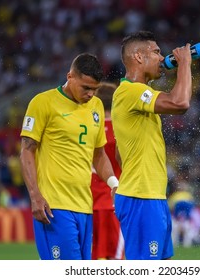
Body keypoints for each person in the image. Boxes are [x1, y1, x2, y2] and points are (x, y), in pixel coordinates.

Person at [19, 53, 119, 260]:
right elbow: (27, 150)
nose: (91, 94)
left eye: (95, 89)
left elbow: (98, 154)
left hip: (85, 206)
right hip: (54, 206)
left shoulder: (97, 107)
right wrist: (35, 195)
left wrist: (113, 184)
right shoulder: (43, 103)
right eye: (86, 88)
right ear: (70, 76)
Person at [111, 30, 193, 260]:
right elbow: (180, 102)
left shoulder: (136, 95)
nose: (161, 57)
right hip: (141, 198)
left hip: (150, 195)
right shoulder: (131, 91)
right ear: (138, 56)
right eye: (156, 52)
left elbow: (120, 153)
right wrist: (185, 63)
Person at [90, 82, 124, 260]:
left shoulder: (87, 129)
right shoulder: (123, 130)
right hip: (114, 203)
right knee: (115, 261)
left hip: (86, 203)